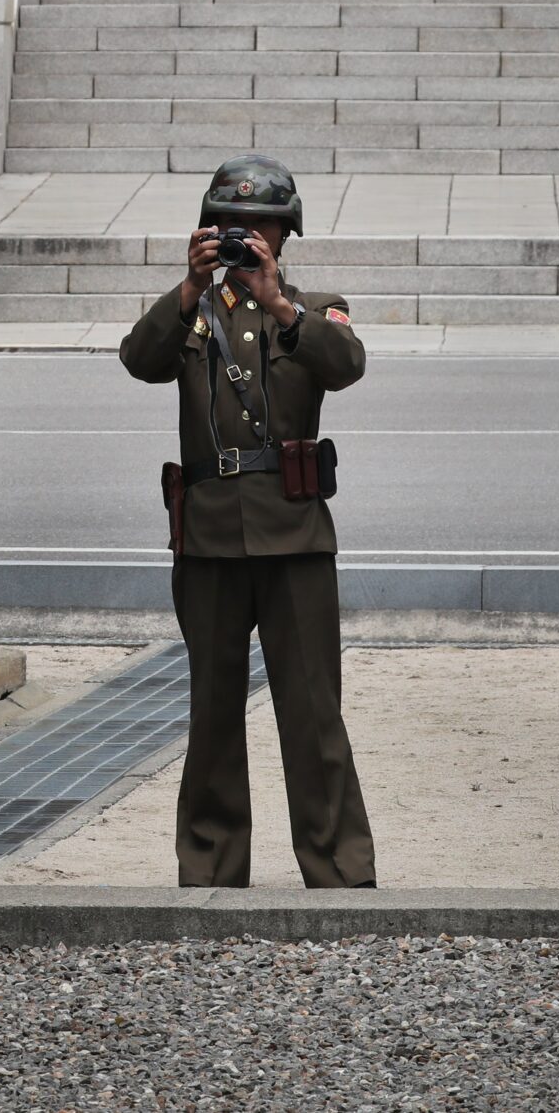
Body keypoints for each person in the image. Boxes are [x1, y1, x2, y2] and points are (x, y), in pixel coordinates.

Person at [119, 153, 376, 890]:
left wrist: (279, 304)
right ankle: (211, 868)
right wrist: (188, 286)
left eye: (259, 224)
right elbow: (138, 359)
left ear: (284, 233)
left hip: (294, 535)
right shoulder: (190, 312)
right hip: (208, 538)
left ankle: (339, 869)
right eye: (230, 223)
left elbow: (347, 364)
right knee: (212, 713)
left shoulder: (313, 306)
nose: (244, 235)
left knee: (314, 711)